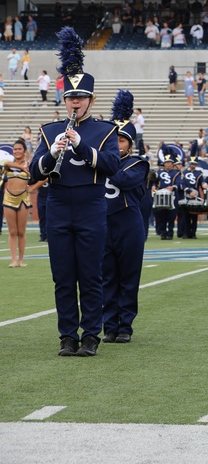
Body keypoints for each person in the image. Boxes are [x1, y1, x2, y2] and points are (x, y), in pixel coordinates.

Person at [30, 28, 121, 357]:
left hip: (91, 205)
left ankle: (91, 335)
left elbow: (111, 165)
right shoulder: (50, 130)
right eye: (71, 97)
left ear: (91, 99)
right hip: (58, 205)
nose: (76, 101)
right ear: (65, 99)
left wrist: (82, 146)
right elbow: (31, 174)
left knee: (90, 274)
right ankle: (67, 335)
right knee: (63, 276)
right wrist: (52, 152)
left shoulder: (105, 130)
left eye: (81, 97)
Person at [102, 90, 150, 344]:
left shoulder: (138, 164)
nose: (116, 145)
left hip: (129, 225)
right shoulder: (99, 161)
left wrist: (104, 159)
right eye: (112, 140)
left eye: (121, 141)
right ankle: (109, 325)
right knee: (107, 277)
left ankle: (125, 326)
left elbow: (122, 179)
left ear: (130, 145)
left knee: (128, 278)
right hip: (103, 224)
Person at [3, 139, 37, 268]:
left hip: (23, 198)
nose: (17, 151)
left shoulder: (30, 164)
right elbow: (6, 164)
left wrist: (32, 188)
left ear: (24, 150)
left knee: (21, 232)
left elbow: (43, 177)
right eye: (15, 149)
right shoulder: (9, 164)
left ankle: (21, 260)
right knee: (12, 232)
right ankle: (14, 260)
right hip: (9, 199)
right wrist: (22, 168)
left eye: (19, 149)